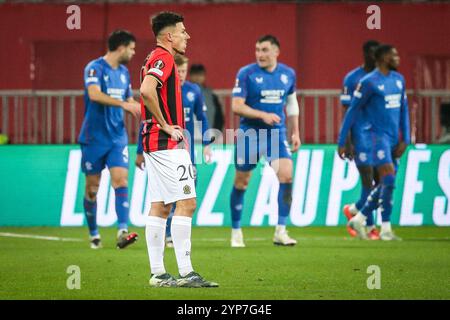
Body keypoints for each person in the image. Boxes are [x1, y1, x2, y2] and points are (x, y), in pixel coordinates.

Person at [139, 11, 218, 288]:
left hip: (155, 144)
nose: (188, 36)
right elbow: (147, 91)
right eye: (183, 31)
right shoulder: (164, 57)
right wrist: (167, 125)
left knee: (161, 206)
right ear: (169, 35)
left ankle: (159, 273)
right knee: (187, 203)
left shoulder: (153, 57)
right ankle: (186, 272)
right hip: (165, 144)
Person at [230, 35, 301, 247]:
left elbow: (291, 103)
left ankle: (281, 230)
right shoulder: (246, 73)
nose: (260, 54)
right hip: (250, 133)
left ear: (276, 52)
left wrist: (295, 131)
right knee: (242, 181)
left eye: (264, 50)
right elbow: (236, 105)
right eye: (257, 50)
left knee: (287, 176)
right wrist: (262, 115)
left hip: (276, 134)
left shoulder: (288, 74)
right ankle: (236, 231)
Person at [136, 54, 213, 248]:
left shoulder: (193, 91)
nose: (181, 75)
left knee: (187, 194)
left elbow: (201, 117)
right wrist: (139, 151)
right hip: (163, 148)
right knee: (167, 195)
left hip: (186, 150)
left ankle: (176, 234)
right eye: (177, 71)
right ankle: (168, 233)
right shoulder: (162, 92)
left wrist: (207, 142)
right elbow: (147, 120)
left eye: (183, 71)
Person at [337, 44, 410, 241]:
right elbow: (351, 110)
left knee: (388, 182)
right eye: (393, 54)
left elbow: (404, 109)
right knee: (382, 179)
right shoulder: (368, 82)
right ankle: (379, 227)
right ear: (383, 58)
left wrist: (407, 138)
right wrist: (343, 140)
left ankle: (359, 216)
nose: (397, 57)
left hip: (393, 138)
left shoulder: (398, 80)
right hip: (375, 138)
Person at [79, 29, 140, 249]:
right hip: (93, 138)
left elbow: (128, 99)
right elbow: (94, 95)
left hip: (117, 137)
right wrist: (124, 105)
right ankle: (94, 233)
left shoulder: (124, 72)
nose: (134, 53)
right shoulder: (94, 68)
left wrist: (136, 105)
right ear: (121, 47)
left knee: (121, 180)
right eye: (132, 48)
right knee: (92, 188)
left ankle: (122, 231)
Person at [339, 40, 381, 240]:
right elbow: (348, 112)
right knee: (368, 182)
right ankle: (371, 227)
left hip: (381, 137)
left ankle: (353, 209)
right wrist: (347, 141)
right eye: (372, 53)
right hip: (360, 136)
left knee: (381, 182)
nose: (375, 57)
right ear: (364, 54)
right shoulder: (353, 78)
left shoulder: (385, 78)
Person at [189, 64, 225, 132]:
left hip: (208, 133)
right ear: (190, 76)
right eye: (195, 74)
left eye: (200, 74)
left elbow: (219, 117)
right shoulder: (182, 93)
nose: (197, 77)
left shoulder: (211, 95)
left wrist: (217, 132)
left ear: (204, 76)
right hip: (188, 134)